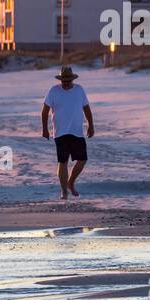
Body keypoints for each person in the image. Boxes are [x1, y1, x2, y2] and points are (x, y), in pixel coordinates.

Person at [41, 65, 95, 200]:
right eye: (64, 80)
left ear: (72, 79)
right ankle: (64, 191)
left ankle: (70, 182)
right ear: (60, 80)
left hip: (77, 131)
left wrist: (91, 125)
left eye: (68, 80)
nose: (66, 83)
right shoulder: (53, 91)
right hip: (60, 132)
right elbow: (45, 111)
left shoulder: (79, 90)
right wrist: (44, 129)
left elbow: (86, 108)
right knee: (63, 162)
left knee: (82, 160)